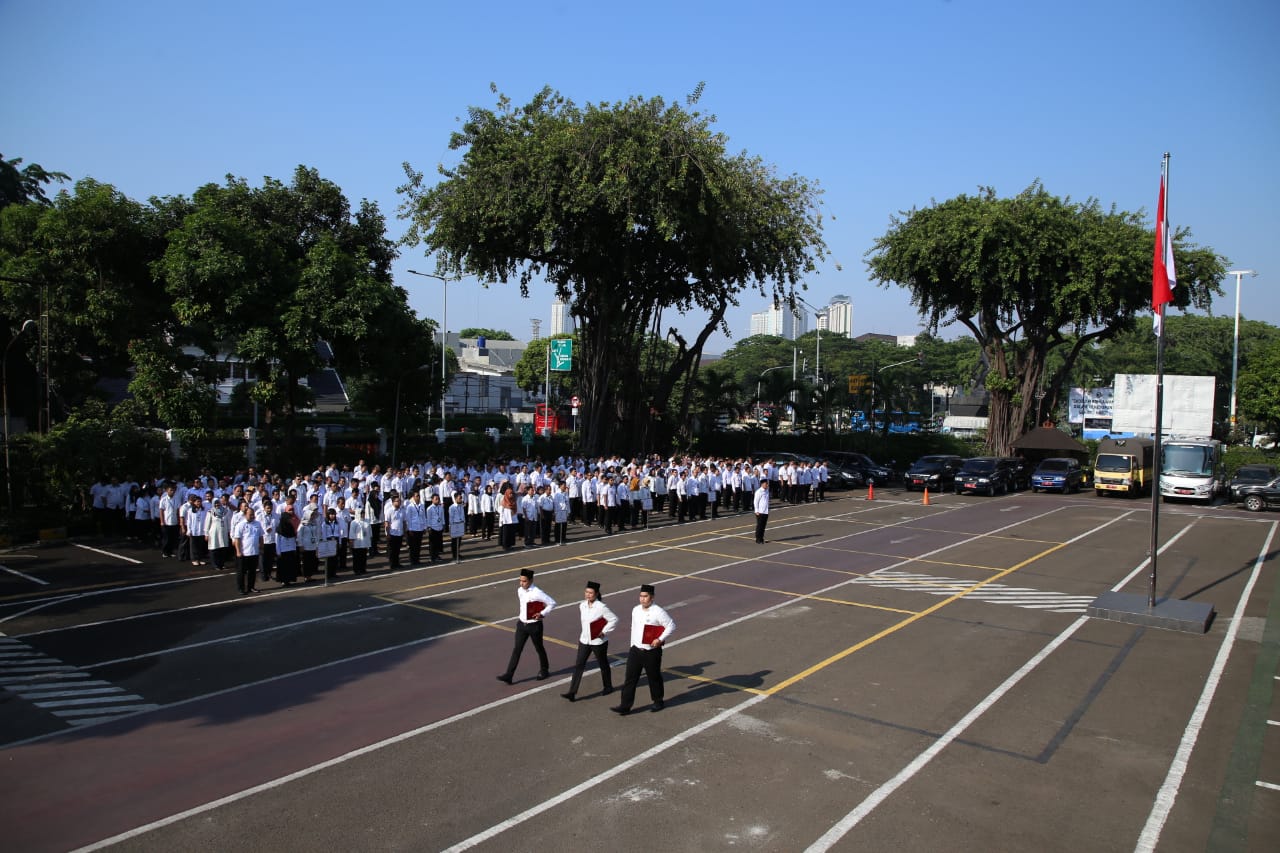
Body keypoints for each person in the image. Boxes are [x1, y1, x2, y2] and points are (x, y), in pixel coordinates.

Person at [611, 584, 676, 715]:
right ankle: (625, 706)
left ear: (652, 597)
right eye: (641, 596)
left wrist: (659, 639)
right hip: (635, 650)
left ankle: (658, 701)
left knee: (654, 677)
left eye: (645, 596)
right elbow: (633, 628)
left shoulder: (658, 611)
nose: (642, 599)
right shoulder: (635, 610)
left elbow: (671, 625)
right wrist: (632, 645)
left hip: (651, 651)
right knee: (630, 678)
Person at [496, 568, 556, 684]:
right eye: (520, 580)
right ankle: (509, 674)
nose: (521, 583)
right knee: (517, 649)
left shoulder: (537, 592)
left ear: (531, 580)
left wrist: (542, 613)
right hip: (521, 625)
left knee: (539, 648)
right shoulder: (520, 591)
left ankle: (544, 670)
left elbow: (552, 603)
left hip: (534, 626)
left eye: (524, 581)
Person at [562, 581, 618, 702]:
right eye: (586, 592)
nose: (588, 595)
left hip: (598, 641)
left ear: (596, 594)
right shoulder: (582, 605)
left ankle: (608, 686)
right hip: (584, 640)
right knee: (579, 665)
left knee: (603, 664)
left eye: (591, 593)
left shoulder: (602, 607)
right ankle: (572, 692)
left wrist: (604, 631)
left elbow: (614, 619)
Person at [231, 506, 264, 595]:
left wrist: (261, 548)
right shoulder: (240, 525)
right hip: (244, 553)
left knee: (252, 572)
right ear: (245, 515)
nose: (252, 516)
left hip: (254, 552)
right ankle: (241, 588)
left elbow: (261, 536)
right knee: (241, 572)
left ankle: (251, 587)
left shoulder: (257, 524)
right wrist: (238, 551)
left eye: (253, 514)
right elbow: (237, 539)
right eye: (250, 514)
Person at [348, 507, 372, 575]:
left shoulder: (367, 521)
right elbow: (351, 534)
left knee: (363, 557)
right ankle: (356, 570)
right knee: (357, 558)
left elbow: (369, 532)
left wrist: (369, 540)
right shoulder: (354, 522)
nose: (363, 515)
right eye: (361, 513)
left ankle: (363, 569)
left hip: (364, 542)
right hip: (357, 543)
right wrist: (351, 543)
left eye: (363, 513)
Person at [447, 491, 467, 563]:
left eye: (461, 498)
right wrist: (451, 526)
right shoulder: (451, 507)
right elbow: (451, 517)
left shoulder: (461, 506)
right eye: (459, 498)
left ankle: (457, 553)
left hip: (460, 524)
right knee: (454, 541)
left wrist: (464, 522)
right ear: (455, 499)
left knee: (459, 540)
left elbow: (463, 515)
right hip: (455, 524)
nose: (461, 499)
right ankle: (454, 554)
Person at [753, 476, 770, 544]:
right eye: (766, 483)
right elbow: (755, 501)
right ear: (762, 484)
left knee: (763, 526)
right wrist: (756, 510)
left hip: (766, 511)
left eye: (767, 483)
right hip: (760, 512)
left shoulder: (767, 491)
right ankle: (758, 539)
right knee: (759, 526)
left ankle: (762, 538)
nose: (767, 485)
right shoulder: (759, 492)